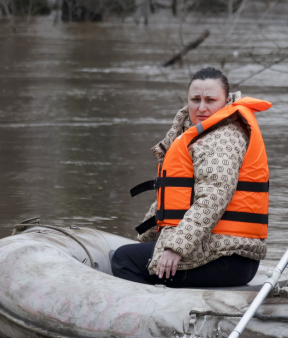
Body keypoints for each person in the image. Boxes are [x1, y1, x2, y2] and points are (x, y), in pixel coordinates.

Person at [111, 67, 271, 288]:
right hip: (216, 249)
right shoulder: (203, 134)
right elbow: (176, 199)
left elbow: (212, 200)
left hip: (228, 257)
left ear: (225, 102)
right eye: (195, 99)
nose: (202, 107)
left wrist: (176, 248)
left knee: (123, 260)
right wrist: (147, 239)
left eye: (210, 100)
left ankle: (152, 317)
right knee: (130, 252)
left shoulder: (223, 140)